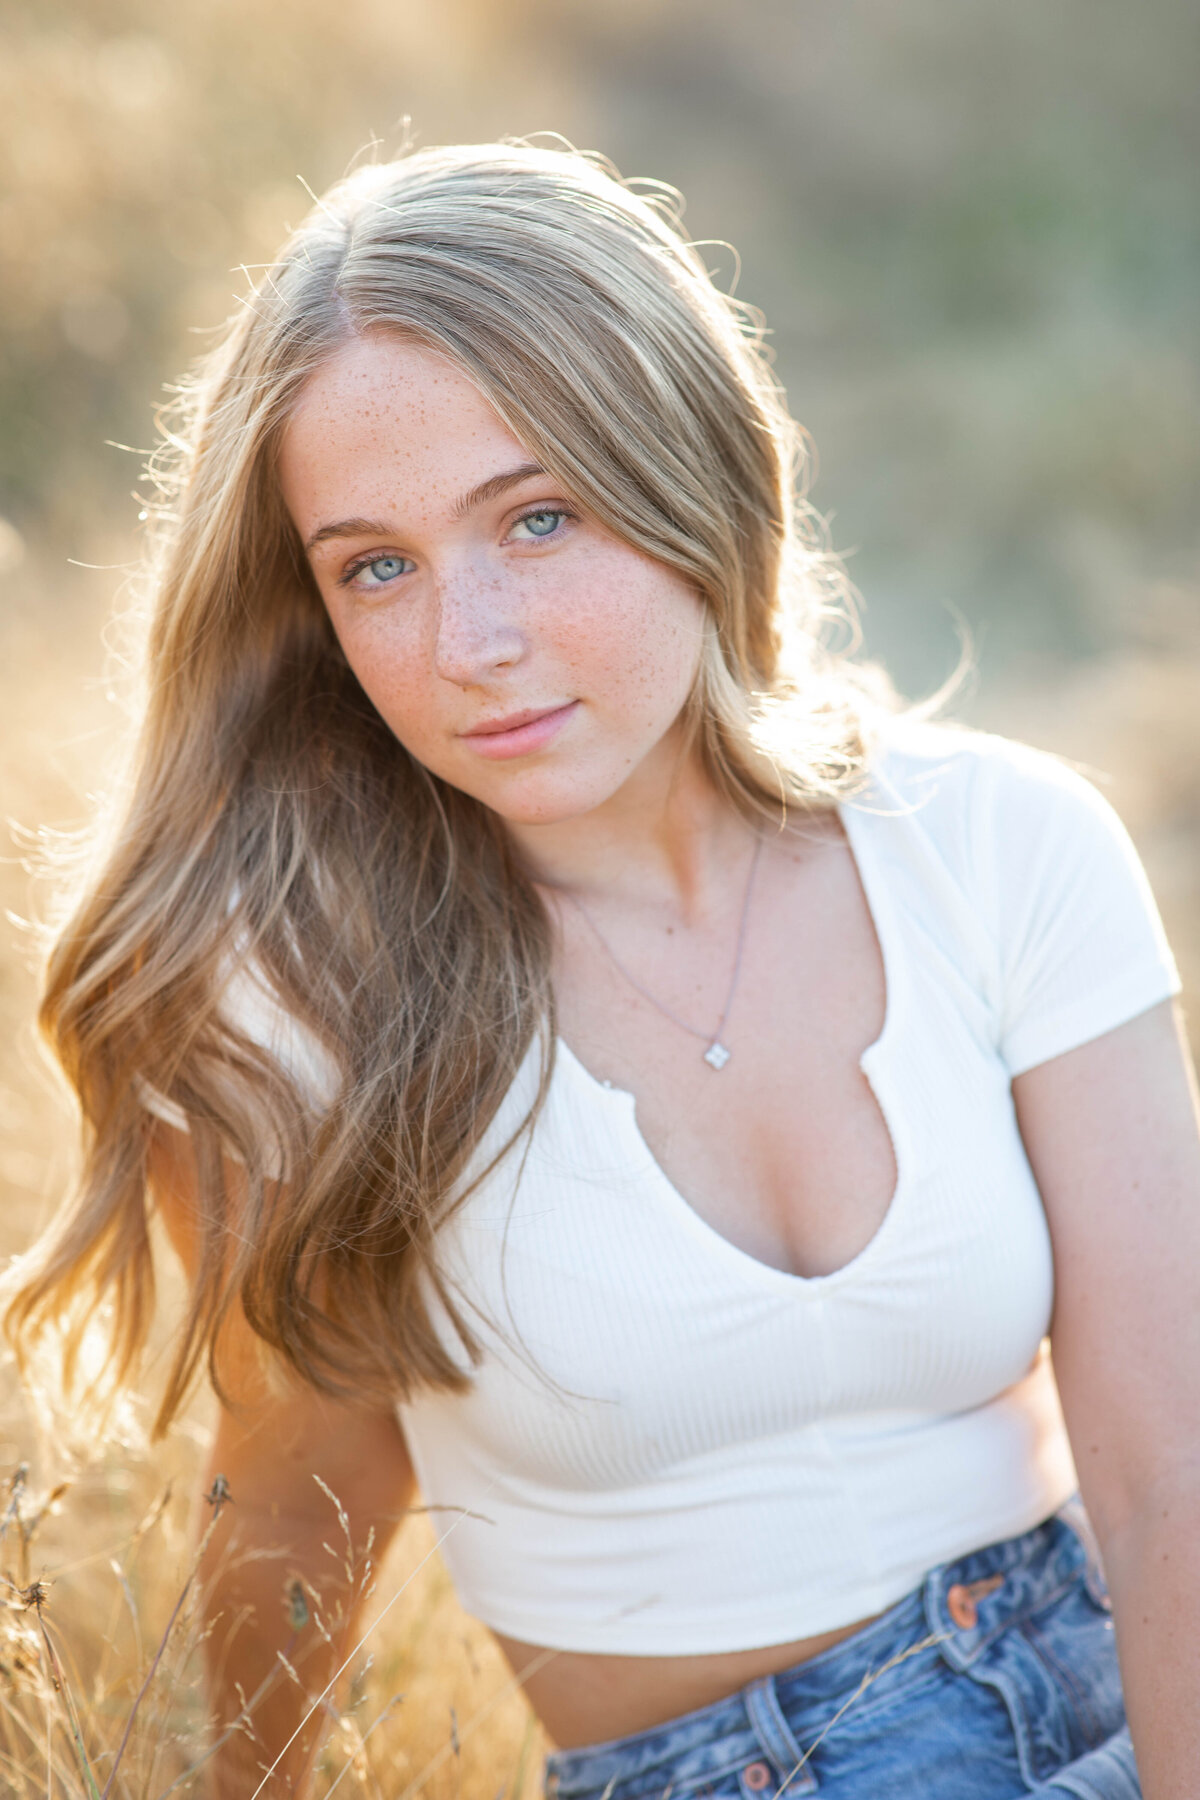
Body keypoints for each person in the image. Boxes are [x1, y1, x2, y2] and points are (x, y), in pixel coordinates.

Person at [5, 141, 1200, 1799]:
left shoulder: (1001, 844)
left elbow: (1168, 1473)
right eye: (377, 567)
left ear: (691, 476)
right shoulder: (302, 1005)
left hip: (1128, 1682)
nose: (468, 645)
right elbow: (293, 1513)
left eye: (539, 517)